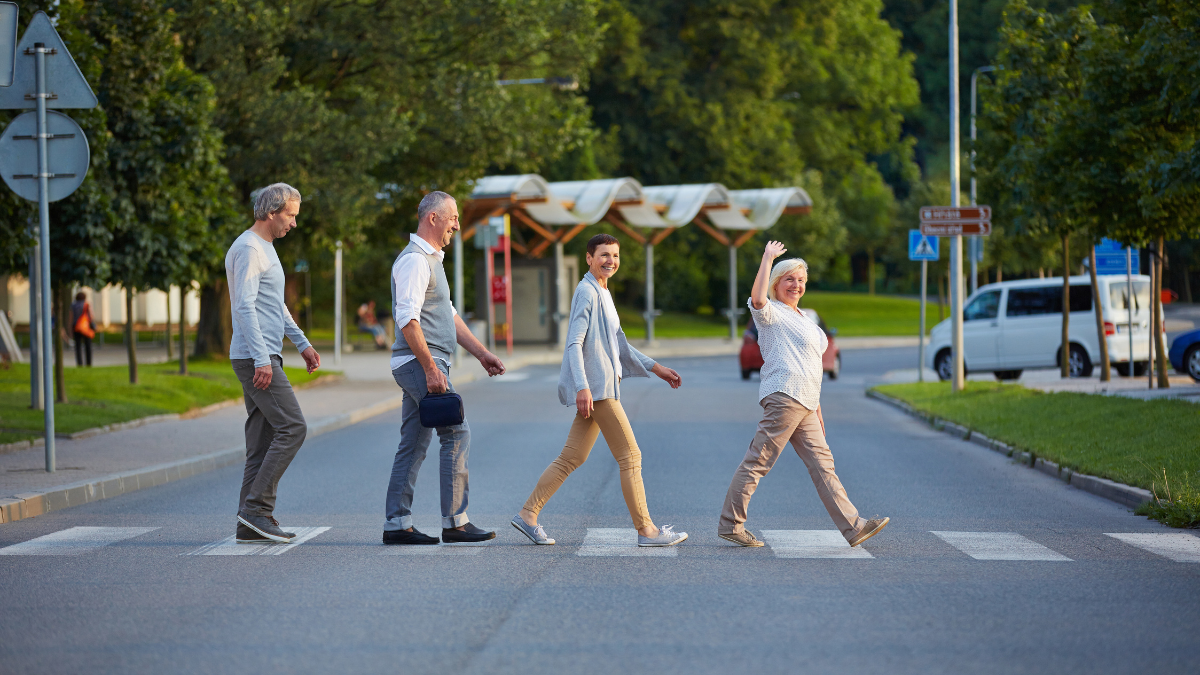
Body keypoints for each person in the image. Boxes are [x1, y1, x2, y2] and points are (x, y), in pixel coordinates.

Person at [511, 233, 688, 547]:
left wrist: (656, 367)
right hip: (598, 391)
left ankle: (528, 513)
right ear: (589, 258)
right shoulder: (587, 292)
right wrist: (582, 387)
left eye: (615, 255)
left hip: (601, 389)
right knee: (630, 456)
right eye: (604, 255)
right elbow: (574, 343)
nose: (611, 261)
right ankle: (647, 531)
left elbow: (619, 344)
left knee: (572, 457)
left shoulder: (603, 291)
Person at [717, 240, 888, 548]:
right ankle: (731, 524)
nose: (796, 285)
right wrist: (768, 257)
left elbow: (812, 365)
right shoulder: (771, 314)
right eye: (789, 279)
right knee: (758, 462)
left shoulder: (803, 318)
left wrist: (817, 408)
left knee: (824, 465)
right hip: (784, 396)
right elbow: (757, 298)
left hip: (806, 401)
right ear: (776, 284)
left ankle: (854, 527)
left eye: (801, 280)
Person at [384, 191, 507, 545]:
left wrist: (481, 353)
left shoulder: (432, 260)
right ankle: (455, 522)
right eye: (452, 217)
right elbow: (408, 320)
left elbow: (448, 315)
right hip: (420, 363)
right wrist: (430, 368)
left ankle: (397, 524)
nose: (457, 224)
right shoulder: (414, 261)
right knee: (456, 433)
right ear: (433, 218)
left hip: (424, 362)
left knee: (414, 443)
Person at [226, 183, 322, 544]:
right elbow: (244, 306)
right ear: (271, 213)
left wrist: (302, 342)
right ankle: (257, 510)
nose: (294, 223)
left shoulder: (264, 248)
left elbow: (273, 304)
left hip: (262, 354)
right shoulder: (249, 249)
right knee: (293, 428)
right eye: (290, 215)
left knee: (262, 442)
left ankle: (247, 523)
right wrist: (262, 358)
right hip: (256, 356)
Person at [70, 292, 95, 367]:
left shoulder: (73, 305)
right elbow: (91, 316)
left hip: (76, 327)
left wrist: (70, 328)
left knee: (78, 347)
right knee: (88, 346)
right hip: (85, 328)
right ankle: (88, 363)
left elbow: (70, 317)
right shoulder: (86, 304)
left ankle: (79, 363)